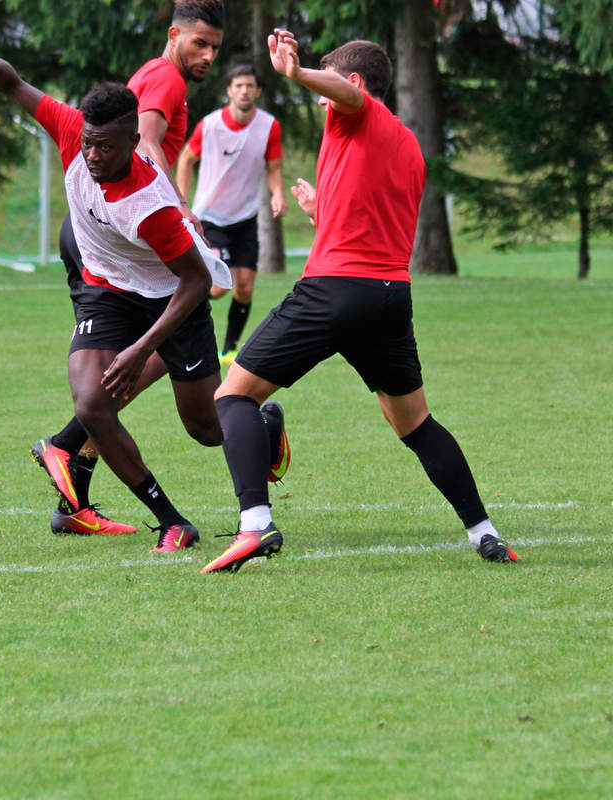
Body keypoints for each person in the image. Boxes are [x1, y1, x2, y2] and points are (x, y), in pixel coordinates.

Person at [202, 31, 518, 574]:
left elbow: (345, 96)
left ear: (353, 85)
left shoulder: (354, 110)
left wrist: (296, 72)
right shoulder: (408, 145)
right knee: (416, 424)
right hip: (390, 298)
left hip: (333, 291)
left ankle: (254, 525)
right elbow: (371, 232)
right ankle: (485, 534)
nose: (322, 105)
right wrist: (320, 211)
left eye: (328, 92)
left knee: (233, 399)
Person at [0, 42, 234, 552]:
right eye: (88, 144)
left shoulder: (152, 205)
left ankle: (260, 419)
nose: (93, 155)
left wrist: (142, 347)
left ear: (132, 140)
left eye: (105, 146)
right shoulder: (73, 133)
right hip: (107, 290)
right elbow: (17, 87)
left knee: (208, 429)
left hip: (172, 296)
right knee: (92, 403)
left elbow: (194, 283)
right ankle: (172, 521)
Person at [31, 0, 226, 537]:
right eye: (199, 44)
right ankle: (74, 453)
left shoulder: (147, 74)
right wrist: (177, 210)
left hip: (117, 238)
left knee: (133, 380)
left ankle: (68, 456)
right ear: (173, 35)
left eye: (215, 47)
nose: (207, 56)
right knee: (107, 386)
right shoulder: (165, 80)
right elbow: (146, 145)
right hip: (121, 240)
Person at [175, 64, 286, 365]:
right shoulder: (210, 126)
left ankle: (230, 349)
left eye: (250, 86)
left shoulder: (269, 126)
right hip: (210, 216)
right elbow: (185, 159)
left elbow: (274, 169)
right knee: (220, 287)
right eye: (238, 86)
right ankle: (177, 316)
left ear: (258, 91)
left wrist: (278, 194)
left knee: (246, 286)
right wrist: (180, 201)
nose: (244, 91)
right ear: (229, 91)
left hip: (245, 218)